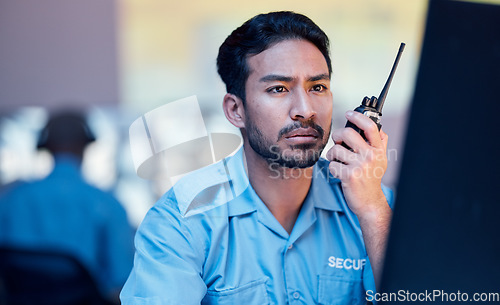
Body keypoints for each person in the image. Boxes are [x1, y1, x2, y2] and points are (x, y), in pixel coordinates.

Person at [121, 11, 393, 305]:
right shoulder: (180, 222)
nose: (305, 109)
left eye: (317, 87)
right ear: (236, 110)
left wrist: (374, 214)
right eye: (278, 89)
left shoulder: (378, 206)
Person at [0, 111, 135, 304]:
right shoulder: (107, 204)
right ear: (85, 147)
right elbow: (122, 279)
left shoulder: (11, 200)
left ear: (46, 147)